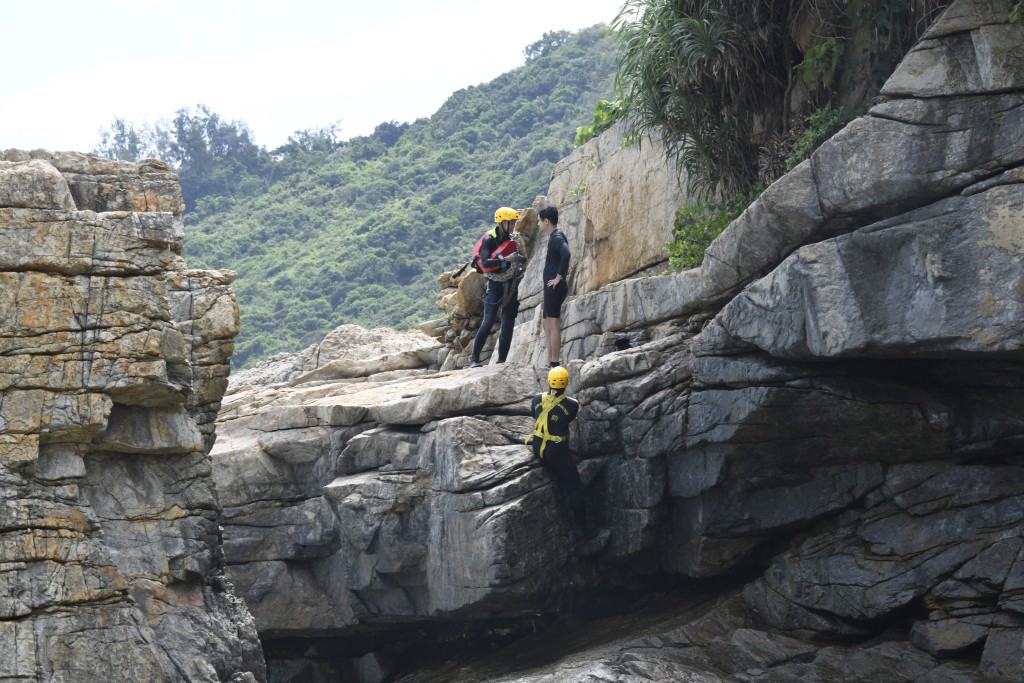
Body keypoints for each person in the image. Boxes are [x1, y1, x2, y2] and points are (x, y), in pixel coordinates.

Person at [526, 366, 594, 542]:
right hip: (557, 453)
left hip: (538, 448)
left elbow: (535, 415)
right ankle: (581, 530)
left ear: (549, 381)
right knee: (574, 487)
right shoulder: (572, 405)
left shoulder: (536, 398)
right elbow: (568, 418)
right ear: (566, 383)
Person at [467, 207, 526, 368]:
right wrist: (508, 259)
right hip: (494, 284)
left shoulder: (512, 239)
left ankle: (502, 361)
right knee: (488, 321)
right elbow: (485, 262)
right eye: (511, 222)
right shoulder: (489, 240)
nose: (513, 225)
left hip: (511, 282)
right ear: (502, 222)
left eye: (514, 222)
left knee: (508, 324)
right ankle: (474, 360)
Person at [538, 206, 569, 369]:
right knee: (546, 322)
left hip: (555, 287)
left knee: (553, 322)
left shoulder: (557, 237)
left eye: (539, 221)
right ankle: (550, 358)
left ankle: (555, 361)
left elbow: (566, 253)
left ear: (546, 221)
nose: (538, 224)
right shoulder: (554, 236)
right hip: (550, 287)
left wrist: (558, 276)